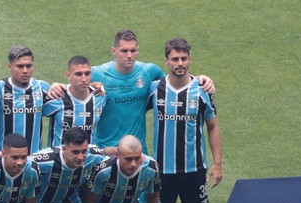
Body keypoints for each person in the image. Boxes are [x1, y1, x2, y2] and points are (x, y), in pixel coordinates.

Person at [149, 38, 222, 203]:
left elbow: (212, 125)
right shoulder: (154, 88)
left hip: (194, 169)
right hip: (162, 170)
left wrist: (217, 163)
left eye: (184, 59)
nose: (180, 63)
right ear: (166, 61)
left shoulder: (202, 90)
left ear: (189, 60)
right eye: (175, 59)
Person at [66, 29, 212, 151]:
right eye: (124, 51)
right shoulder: (96, 74)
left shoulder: (149, 71)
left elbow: (173, 84)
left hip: (137, 153)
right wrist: (56, 87)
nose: (129, 55)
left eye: (132, 50)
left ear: (137, 50)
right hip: (107, 152)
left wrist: (198, 79)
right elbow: (74, 88)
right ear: (114, 51)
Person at [0, 45, 50, 154]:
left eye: (29, 66)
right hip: (5, 159)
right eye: (20, 66)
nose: (25, 70)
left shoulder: (42, 87)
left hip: (33, 158)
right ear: (10, 66)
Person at [43, 55, 106, 147]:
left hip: (89, 159)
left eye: (87, 73)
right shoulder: (57, 97)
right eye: (78, 74)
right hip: (59, 159)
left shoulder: (100, 96)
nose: (84, 79)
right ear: (68, 75)